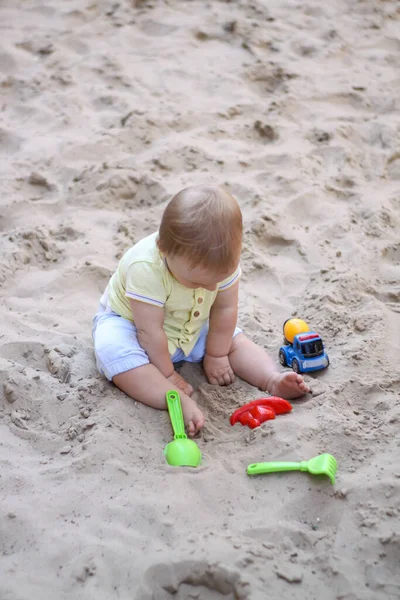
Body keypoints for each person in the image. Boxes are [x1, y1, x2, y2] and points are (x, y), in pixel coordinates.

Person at [93, 186, 309, 436]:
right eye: (198, 282)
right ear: (164, 249)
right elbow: (149, 332)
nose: (209, 288)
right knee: (113, 351)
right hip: (133, 323)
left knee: (234, 341)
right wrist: (168, 374)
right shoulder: (145, 268)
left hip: (190, 321)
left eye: (218, 280)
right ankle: (172, 398)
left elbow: (225, 309)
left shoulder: (221, 263)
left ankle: (271, 379)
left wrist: (217, 354)